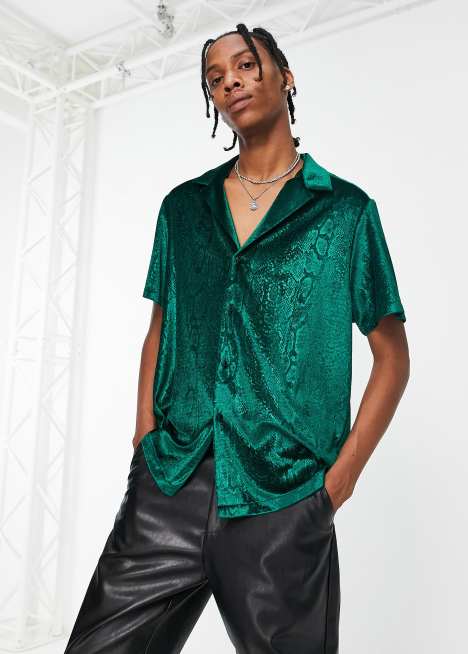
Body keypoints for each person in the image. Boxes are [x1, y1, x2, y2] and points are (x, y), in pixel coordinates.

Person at [63, 22, 410, 654]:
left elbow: (392, 356)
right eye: (215, 77)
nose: (231, 82)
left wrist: (338, 482)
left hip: (283, 497)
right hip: (170, 480)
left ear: (285, 77)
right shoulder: (183, 208)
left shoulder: (345, 212)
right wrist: (144, 441)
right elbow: (160, 329)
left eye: (246, 65)